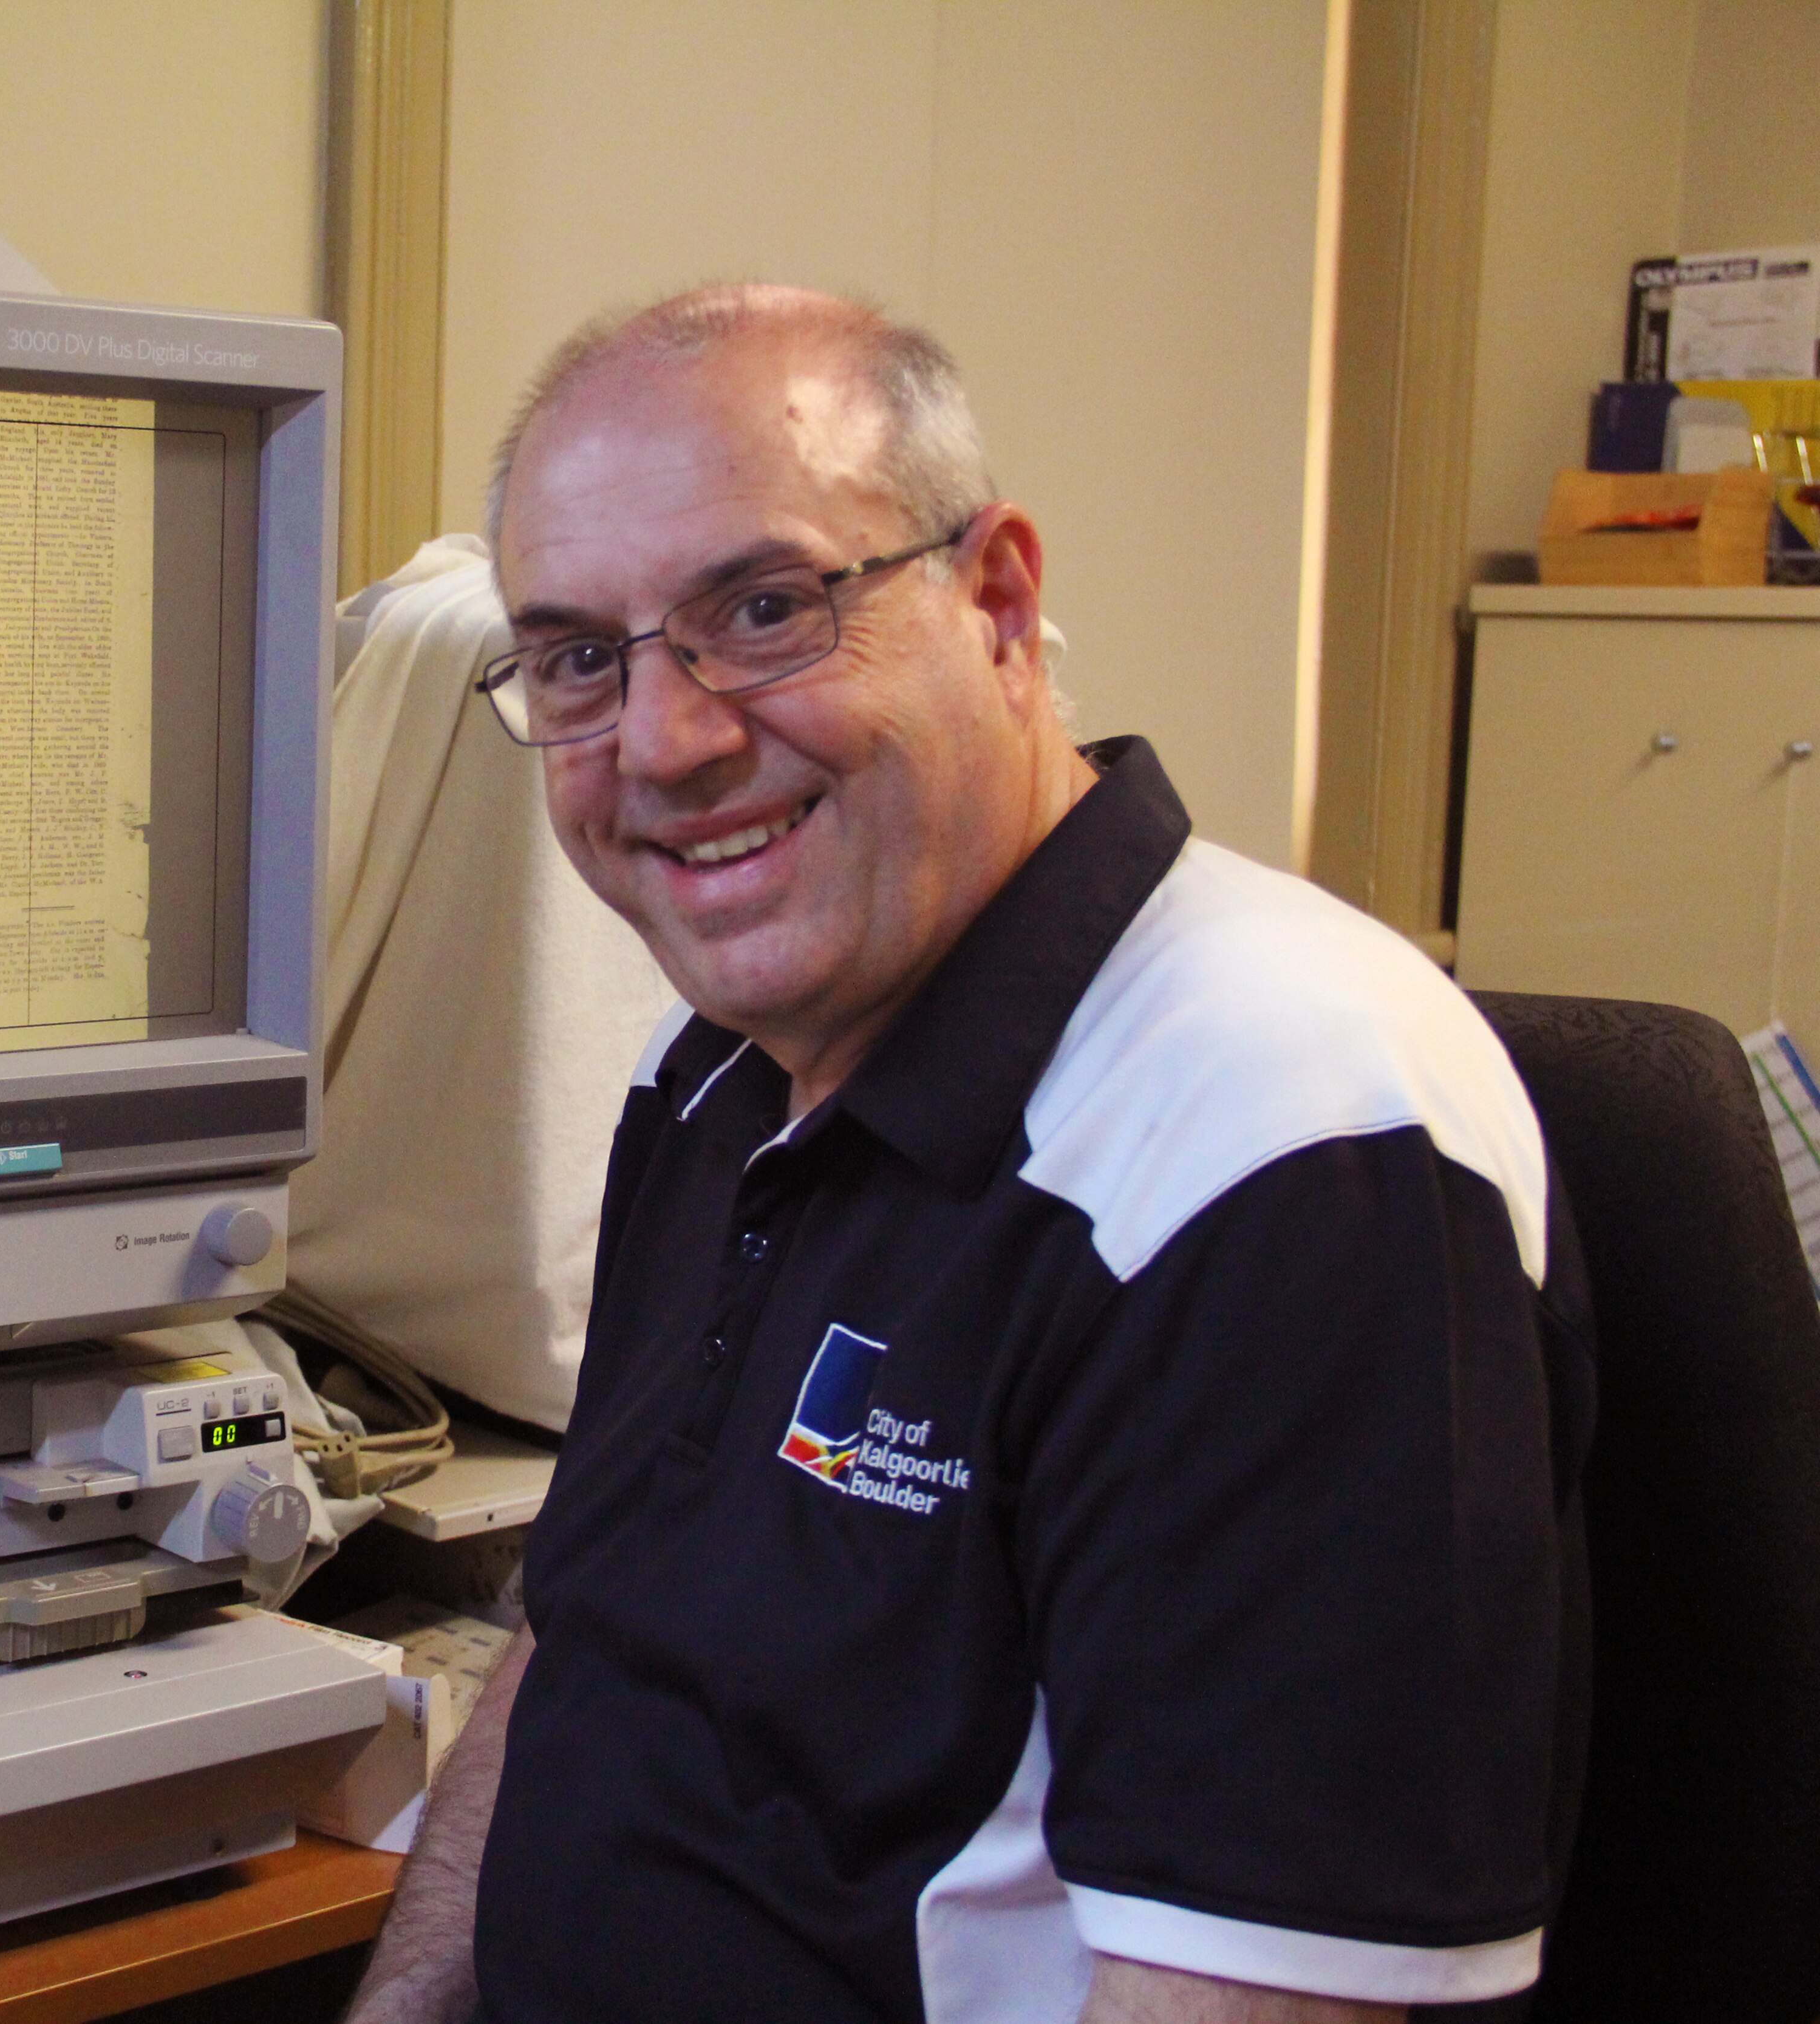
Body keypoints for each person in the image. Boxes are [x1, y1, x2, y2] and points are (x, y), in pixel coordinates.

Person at [342, 288, 1590, 2024]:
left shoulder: (1280, 1139)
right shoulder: (712, 1074)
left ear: (997, 601)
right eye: (576, 660)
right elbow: (587, 1651)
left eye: (764, 611)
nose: (666, 743)